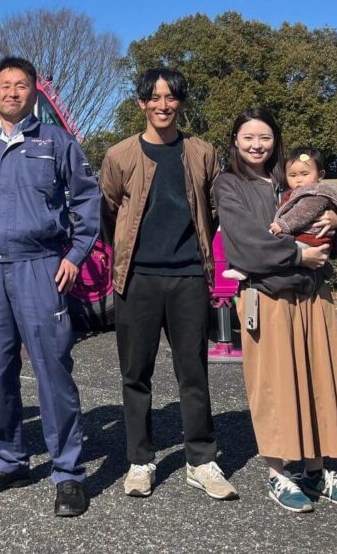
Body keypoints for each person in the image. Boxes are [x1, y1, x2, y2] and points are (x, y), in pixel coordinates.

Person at [0, 56, 100, 518]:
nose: (12, 92)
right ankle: (10, 460)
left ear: (34, 92)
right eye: (4, 85)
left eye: (21, 85)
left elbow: (88, 200)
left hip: (40, 267)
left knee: (52, 368)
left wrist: (74, 256)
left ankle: (68, 473)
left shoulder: (56, 142)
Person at [98, 67, 238, 501]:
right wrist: (125, 256)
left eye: (171, 97)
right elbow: (108, 214)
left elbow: (214, 209)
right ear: (141, 103)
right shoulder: (119, 155)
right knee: (135, 374)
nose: (163, 105)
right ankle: (140, 460)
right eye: (154, 97)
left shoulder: (202, 153)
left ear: (180, 102)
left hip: (189, 275)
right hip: (137, 277)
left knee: (193, 371)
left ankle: (201, 459)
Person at [213, 109, 337, 514]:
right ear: (235, 141)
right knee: (274, 385)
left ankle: (316, 468)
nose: (256, 145)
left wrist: (336, 220)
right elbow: (244, 243)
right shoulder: (229, 184)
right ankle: (277, 473)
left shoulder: (292, 180)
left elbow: (336, 231)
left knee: (318, 380)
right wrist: (298, 255)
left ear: (276, 141)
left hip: (313, 293)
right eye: (248, 137)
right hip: (267, 295)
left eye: (265, 137)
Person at [269, 147, 337, 247]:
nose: (298, 180)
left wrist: (283, 224)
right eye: (292, 175)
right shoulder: (292, 192)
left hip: (309, 239)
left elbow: (304, 210)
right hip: (300, 238)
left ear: (320, 175)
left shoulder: (316, 192)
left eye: (304, 174)